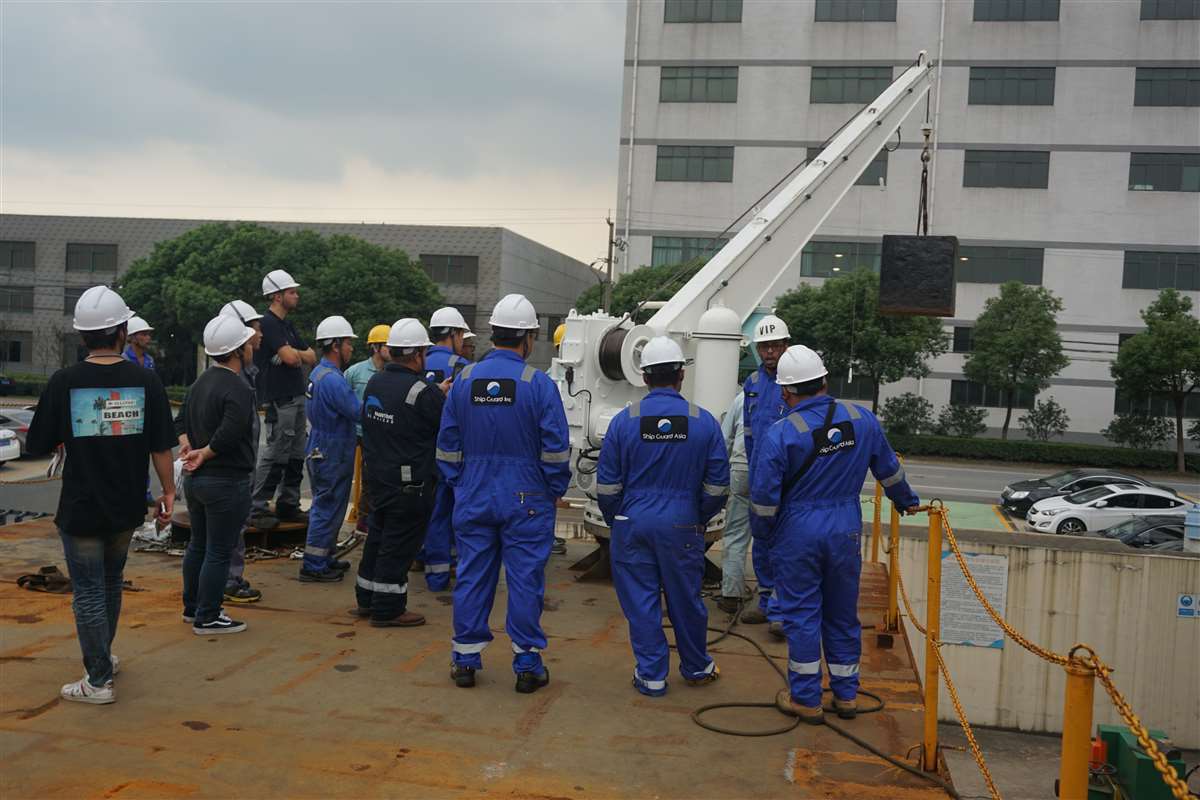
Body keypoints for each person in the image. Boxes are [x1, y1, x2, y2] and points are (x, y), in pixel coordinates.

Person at [749, 345, 920, 725]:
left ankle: (806, 699)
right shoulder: (862, 419)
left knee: (802, 616)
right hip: (845, 528)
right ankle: (846, 695)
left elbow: (763, 500)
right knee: (842, 614)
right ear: (825, 381)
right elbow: (889, 470)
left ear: (785, 392)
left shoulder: (781, 433)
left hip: (798, 532)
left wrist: (764, 537)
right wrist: (906, 501)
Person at [26, 286, 176, 704]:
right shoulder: (145, 381)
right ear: (122, 331)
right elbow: (161, 447)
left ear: (82, 336)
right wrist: (168, 491)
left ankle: (97, 680)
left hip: (82, 508)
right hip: (126, 507)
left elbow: (38, 442)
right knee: (109, 584)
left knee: (90, 590)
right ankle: (102, 660)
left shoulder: (64, 382)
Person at [436, 293, 570, 694]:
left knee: (472, 575)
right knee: (525, 580)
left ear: (493, 333)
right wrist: (553, 488)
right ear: (528, 338)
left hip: (474, 493)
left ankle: (465, 659)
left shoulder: (463, 381)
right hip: (526, 498)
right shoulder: (538, 384)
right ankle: (527, 665)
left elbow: (447, 446)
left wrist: (461, 483)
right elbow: (556, 450)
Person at [595, 337, 729, 696]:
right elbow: (718, 486)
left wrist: (619, 519)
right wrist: (696, 517)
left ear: (644, 377)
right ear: (681, 374)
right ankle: (697, 667)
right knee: (686, 600)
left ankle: (652, 675)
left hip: (633, 522)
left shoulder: (623, 422)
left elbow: (607, 487)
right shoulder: (704, 422)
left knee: (641, 603)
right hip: (683, 523)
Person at [353, 319, 450, 627]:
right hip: (409, 484)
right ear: (418, 354)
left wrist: (435, 393)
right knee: (398, 545)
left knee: (377, 537)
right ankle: (388, 607)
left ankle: (366, 598)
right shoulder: (423, 392)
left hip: (378, 477)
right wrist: (440, 395)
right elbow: (443, 425)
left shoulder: (376, 382)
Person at [178, 315, 258, 635]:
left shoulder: (200, 383)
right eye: (247, 344)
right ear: (237, 351)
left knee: (198, 544)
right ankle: (208, 616)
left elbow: (180, 422)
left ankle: (192, 606)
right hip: (225, 481)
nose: (251, 347)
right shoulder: (239, 387)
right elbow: (231, 433)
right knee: (219, 550)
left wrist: (189, 447)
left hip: (196, 480)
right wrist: (205, 452)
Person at [251, 269, 316, 530]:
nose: (296, 295)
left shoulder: (286, 325)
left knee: (296, 454)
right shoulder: (268, 323)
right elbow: (291, 358)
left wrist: (292, 353)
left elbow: (311, 356)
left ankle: (288, 504)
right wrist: (292, 355)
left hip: (295, 396)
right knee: (277, 452)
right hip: (280, 399)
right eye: (292, 292)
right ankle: (257, 507)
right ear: (277, 296)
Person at [299, 315, 361, 582]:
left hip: (323, 445)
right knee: (327, 507)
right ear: (335, 345)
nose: (351, 348)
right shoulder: (333, 380)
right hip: (332, 449)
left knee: (331, 505)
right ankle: (314, 564)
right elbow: (357, 411)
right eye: (347, 343)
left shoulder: (319, 373)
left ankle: (324, 556)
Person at [741, 314, 791, 634]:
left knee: (786, 543)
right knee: (761, 539)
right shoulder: (753, 383)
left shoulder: (795, 381)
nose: (769, 352)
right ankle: (764, 599)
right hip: (761, 476)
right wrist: (754, 469)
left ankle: (780, 609)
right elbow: (749, 432)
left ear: (786, 345)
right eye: (764, 346)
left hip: (789, 478)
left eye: (775, 345)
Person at [421, 306, 472, 591]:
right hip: (451, 451)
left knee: (428, 509)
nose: (463, 341)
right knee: (449, 511)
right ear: (453, 334)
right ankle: (441, 572)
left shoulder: (418, 360)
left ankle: (426, 560)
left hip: (419, 449)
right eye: (462, 334)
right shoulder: (461, 366)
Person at [218, 299, 265, 603]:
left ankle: (228, 577)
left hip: (241, 465)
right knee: (231, 526)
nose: (260, 335)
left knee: (236, 524)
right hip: (234, 469)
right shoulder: (233, 381)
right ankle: (228, 581)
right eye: (256, 329)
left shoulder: (245, 375)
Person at [344, 324, 391, 534]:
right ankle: (363, 517)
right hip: (357, 433)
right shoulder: (355, 372)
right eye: (387, 345)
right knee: (352, 475)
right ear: (375, 347)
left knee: (374, 477)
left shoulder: (392, 373)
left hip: (381, 433)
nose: (391, 349)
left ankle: (368, 517)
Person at [716, 387, 751, 614]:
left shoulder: (744, 397)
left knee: (736, 534)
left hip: (742, 468)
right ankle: (774, 603)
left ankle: (731, 595)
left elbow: (725, 439)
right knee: (777, 538)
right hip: (777, 469)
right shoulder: (790, 395)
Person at [124, 315, 158, 504]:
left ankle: (144, 493)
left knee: (143, 455)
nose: (148, 338)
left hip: (146, 415)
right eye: (143, 334)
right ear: (133, 337)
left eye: (148, 334)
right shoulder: (123, 360)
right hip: (127, 414)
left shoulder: (150, 361)